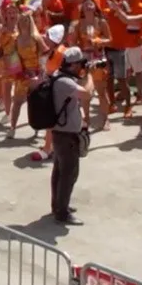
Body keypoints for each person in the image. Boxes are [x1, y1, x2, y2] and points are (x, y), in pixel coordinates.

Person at [50, 47, 92, 225]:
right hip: (66, 135)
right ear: (73, 64)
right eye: (80, 63)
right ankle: (62, 213)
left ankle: (59, 205)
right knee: (69, 173)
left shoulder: (59, 77)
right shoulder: (64, 82)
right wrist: (90, 77)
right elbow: (86, 94)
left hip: (62, 133)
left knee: (60, 171)